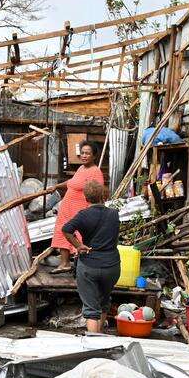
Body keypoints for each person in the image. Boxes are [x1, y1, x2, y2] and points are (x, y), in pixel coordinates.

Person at [61, 180, 121, 334]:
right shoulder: (114, 214)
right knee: (103, 301)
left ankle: (94, 346)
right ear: (103, 196)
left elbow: (66, 229)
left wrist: (78, 245)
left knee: (91, 309)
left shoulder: (83, 215)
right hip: (111, 266)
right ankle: (99, 337)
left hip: (89, 266)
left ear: (86, 198)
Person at [50, 141, 105, 273]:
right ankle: (65, 263)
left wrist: (96, 211)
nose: (84, 155)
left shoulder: (95, 171)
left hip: (80, 209)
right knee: (62, 232)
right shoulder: (81, 169)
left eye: (88, 153)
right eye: (83, 153)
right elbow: (72, 182)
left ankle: (81, 266)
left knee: (79, 236)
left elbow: (99, 192)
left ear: (94, 156)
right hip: (67, 208)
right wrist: (57, 186)